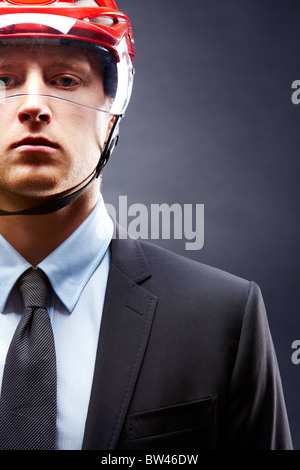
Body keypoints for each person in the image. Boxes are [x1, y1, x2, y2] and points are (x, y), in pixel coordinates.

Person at [0, 0, 293, 451]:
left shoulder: (222, 314)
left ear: (112, 111)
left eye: (66, 80)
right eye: (3, 80)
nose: (34, 105)